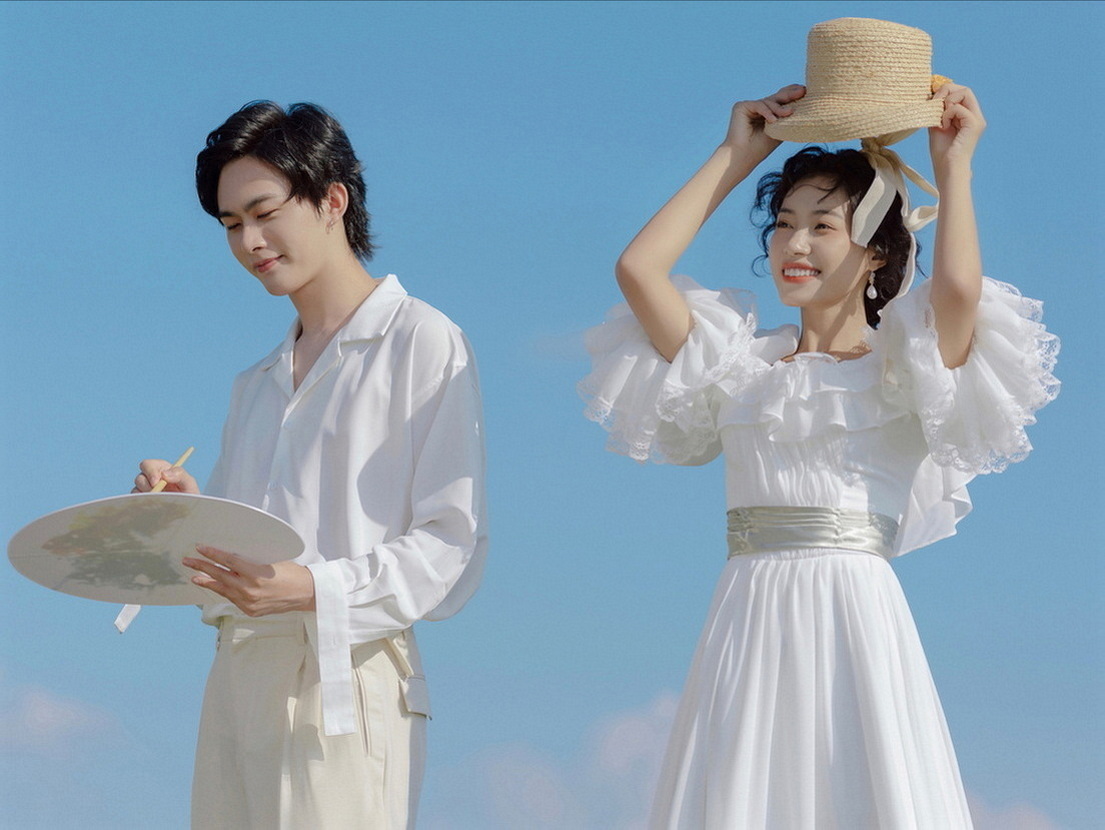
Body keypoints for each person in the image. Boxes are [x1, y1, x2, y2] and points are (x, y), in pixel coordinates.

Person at [578, 77, 1059, 827]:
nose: (793, 245)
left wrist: (954, 166)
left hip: (853, 617)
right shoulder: (736, 366)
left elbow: (960, 290)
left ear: (875, 253)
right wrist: (737, 153)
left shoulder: (902, 369)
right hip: (747, 613)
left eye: (822, 226)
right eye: (782, 224)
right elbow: (638, 269)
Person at [132, 101, 488, 829]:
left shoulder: (420, 340)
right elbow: (242, 564)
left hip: (345, 676)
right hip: (238, 680)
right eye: (231, 224)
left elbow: (451, 547)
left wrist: (314, 589)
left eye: (265, 212)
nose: (250, 241)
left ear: (333, 200)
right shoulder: (257, 383)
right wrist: (187, 513)